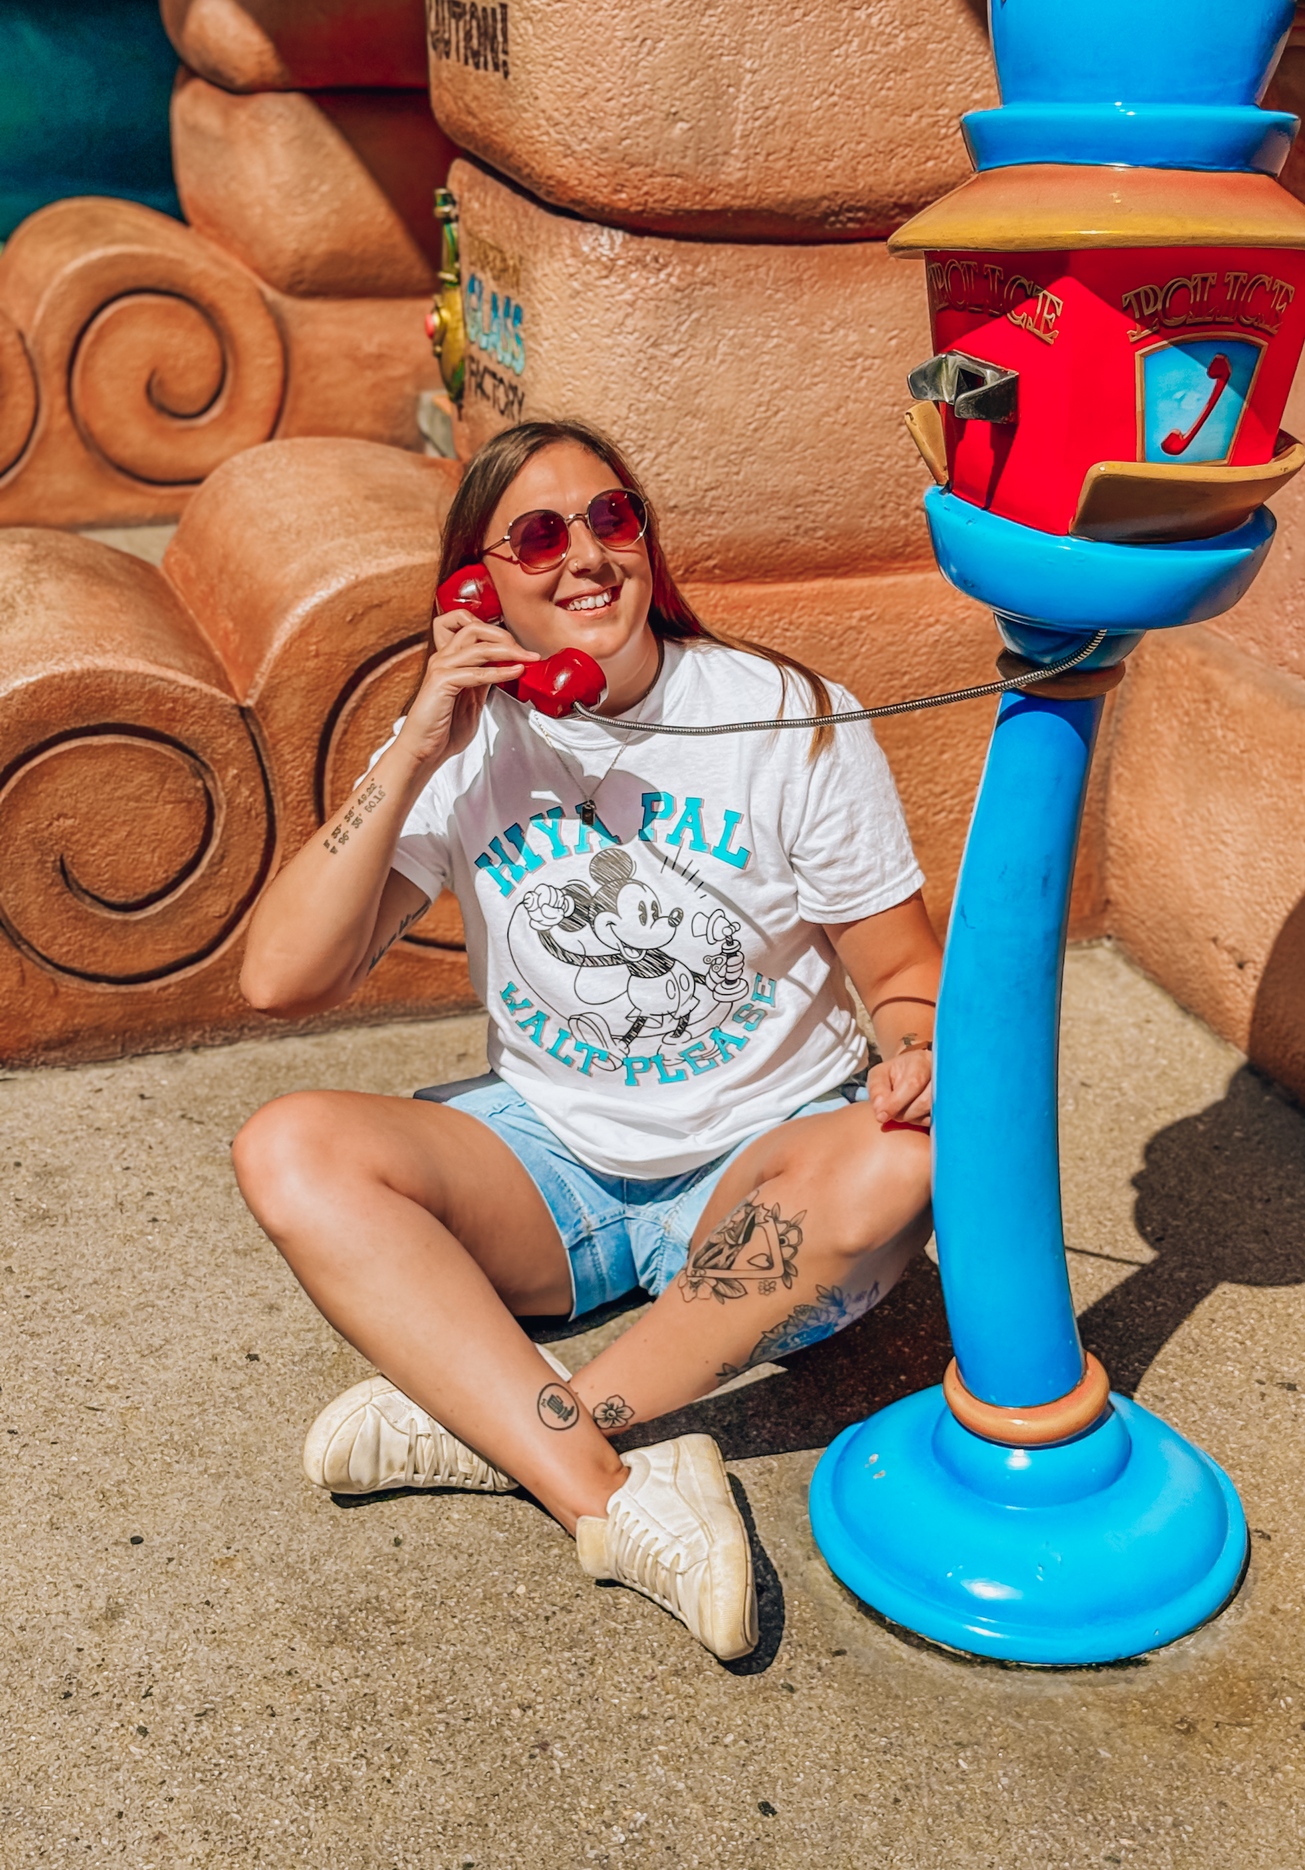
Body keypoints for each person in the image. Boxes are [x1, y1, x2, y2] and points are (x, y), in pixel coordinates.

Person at [232, 419, 941, 1662]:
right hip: (552, 1169)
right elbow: (279, 976)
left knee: (900, 1166)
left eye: (614, 520)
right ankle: (613, 1496)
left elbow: (901, 975)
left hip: (754, 1169)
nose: (588, 558)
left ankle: (508, 1419)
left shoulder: (784, 715)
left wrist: (912, 1047)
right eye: (541, 536)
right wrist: (416, 741)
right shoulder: (465, 750)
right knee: (291, 1147)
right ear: (477, 586)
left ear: (648, 544)